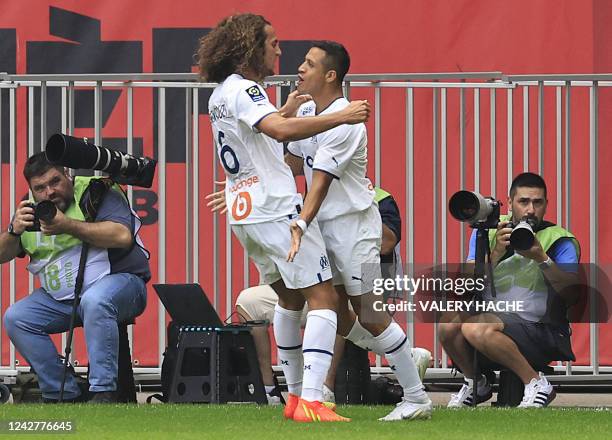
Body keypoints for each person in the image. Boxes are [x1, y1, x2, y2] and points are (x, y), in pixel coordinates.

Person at [197, 14, 370, 423]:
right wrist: (339, 117)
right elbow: (276, 132)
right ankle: (312, 399)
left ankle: (293, 399)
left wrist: (287, 110)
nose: (279, 49)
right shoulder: (247, 89)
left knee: (290, 300)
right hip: (276, 210)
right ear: (248, 48)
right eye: (271, 42)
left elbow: (261, 137)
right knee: (325, 299)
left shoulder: (221, 93)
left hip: (246, 214)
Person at [284, 41, 432, 421]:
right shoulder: (309, 111)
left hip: (354, 230)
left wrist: (300, 221)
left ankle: (415, 397)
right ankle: (398, 360)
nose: (300, 68)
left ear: (330, 75)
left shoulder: (347, 122)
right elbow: (292, 157)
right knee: (335, 312)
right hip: (324, 229)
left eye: (309, 64)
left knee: (370, 315)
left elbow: (319, 182)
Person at [232, 187, 431, 404]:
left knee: (335, 306)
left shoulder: (379, 198)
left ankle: (323, 388)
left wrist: (351, 222)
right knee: (248, 302)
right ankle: (271, 390)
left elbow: (387, 243)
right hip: (311, 281)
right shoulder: (308, 197)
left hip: (360, 280)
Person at [1, 153, 150, 403]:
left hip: (123, 284)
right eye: (40, 188)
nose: (49, 192)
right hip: (64, 300)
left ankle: (103, 392)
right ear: (31, 190)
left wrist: (68, 225)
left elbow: (121, 236)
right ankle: (62, 392)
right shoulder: (29, 210)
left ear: (68, 175)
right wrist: (13, 231)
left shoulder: (97, 192)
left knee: (95, 301)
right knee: (17, 318)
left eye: (55, 181)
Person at [438, 172, 580, 408]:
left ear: (547, 204)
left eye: (538, 202)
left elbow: (573, 295)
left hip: (540, 329)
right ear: (510, 202)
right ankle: (477, 383)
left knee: (476, 328)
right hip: (494, 322)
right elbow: (464, 285)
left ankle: (535, 383)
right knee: (447, 325)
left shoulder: (559, 239)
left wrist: (541, 258)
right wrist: (494, 256)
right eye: (523, 202)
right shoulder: (490, 231)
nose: (530, 210)